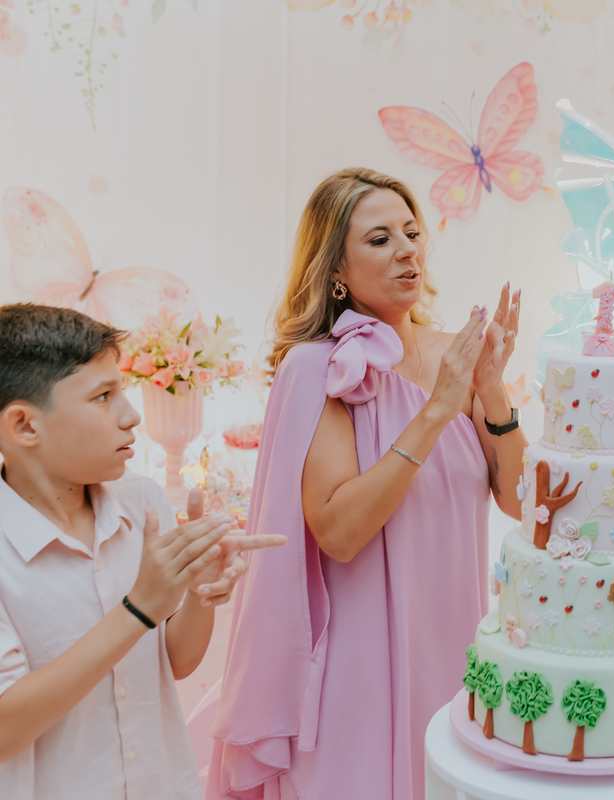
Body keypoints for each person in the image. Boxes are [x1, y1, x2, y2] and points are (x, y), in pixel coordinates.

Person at [207, 167, 527, 800]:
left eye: (411, 232)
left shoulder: (458, 354)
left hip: (453, 646)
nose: (407, 249)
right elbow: (341, 532)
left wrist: (491, 391)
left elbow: (522, 501)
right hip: (361, 664)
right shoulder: (319, 366)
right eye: (379, 239)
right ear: (337, 271)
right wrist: (436, 410)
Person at [0, 304, 285, 800]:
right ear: (25, 425)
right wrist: (138, 608)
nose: (131, 415)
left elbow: (174, 662)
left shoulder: (143, 502)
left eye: (122, 391)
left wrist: (198, 591)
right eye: (103, 396)